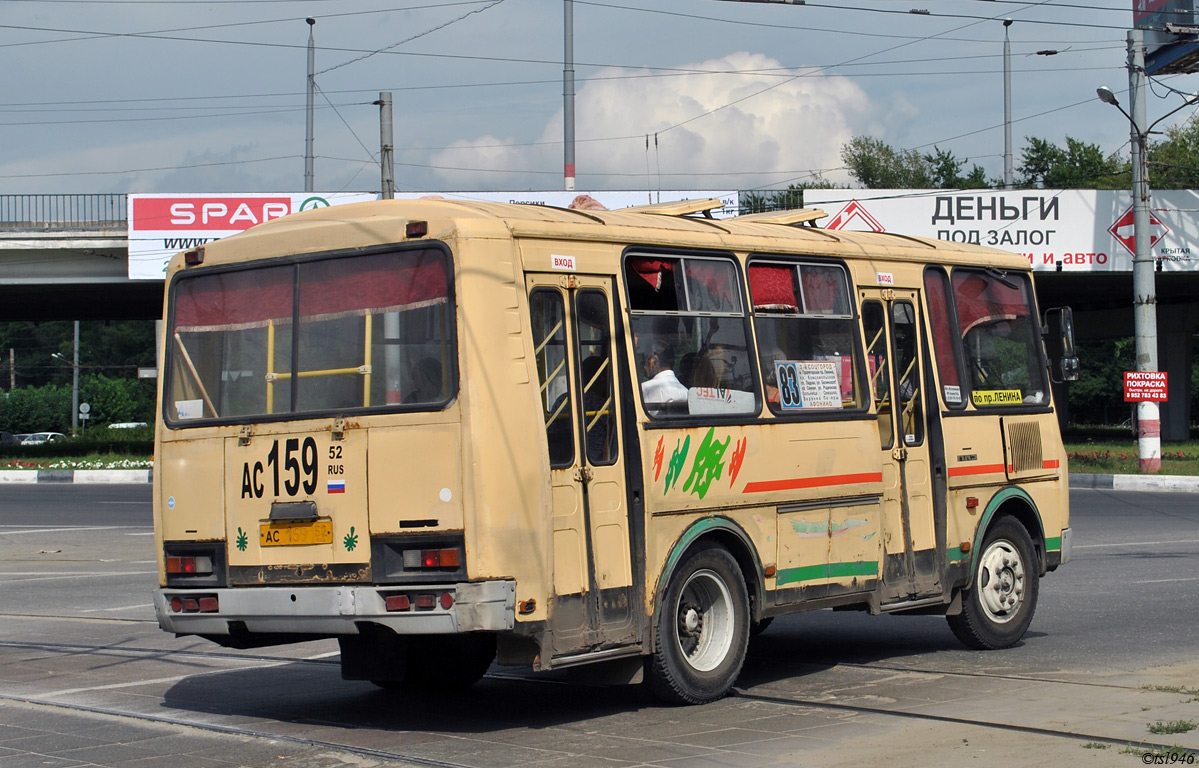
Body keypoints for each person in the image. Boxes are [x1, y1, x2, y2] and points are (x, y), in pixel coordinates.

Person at [641, 340, 688, 408]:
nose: (644, 367)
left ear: (653, 362)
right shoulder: (686, 392)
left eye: (644, 362)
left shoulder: (644, 390)